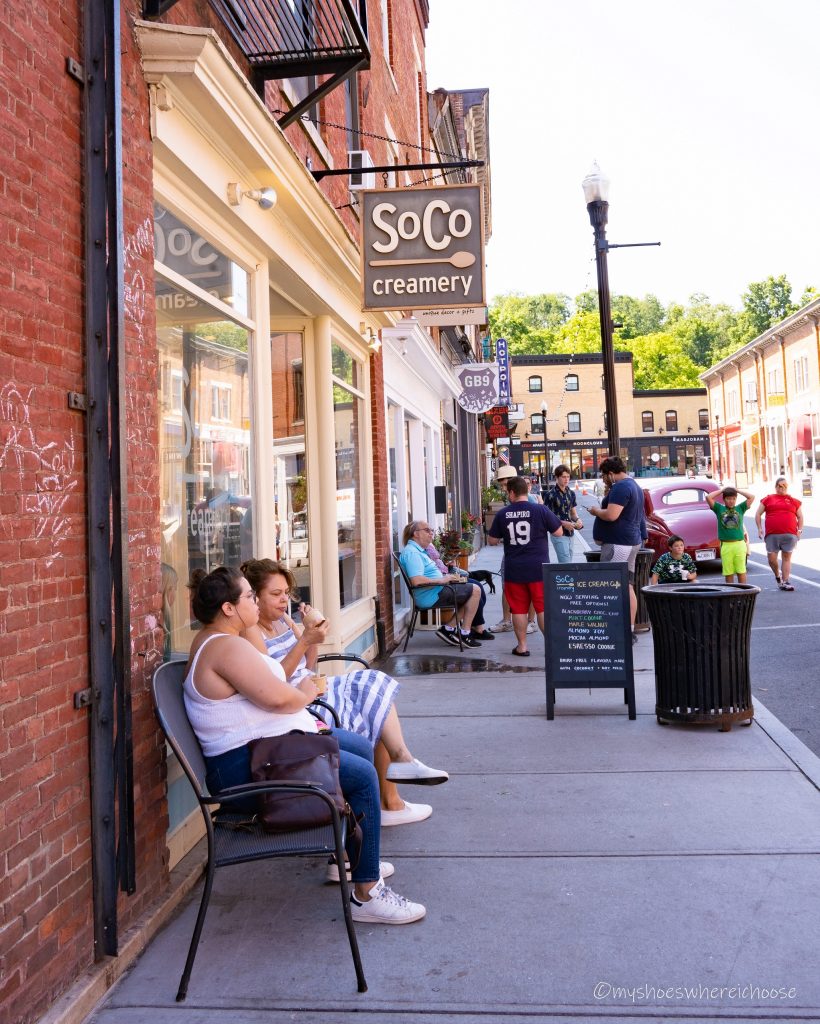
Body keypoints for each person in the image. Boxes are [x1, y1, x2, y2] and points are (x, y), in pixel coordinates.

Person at [183, 566, 425, 923]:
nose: (254, 601)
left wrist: (298, 681)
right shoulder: (225, 648)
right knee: (360, 775)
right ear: (228, 608)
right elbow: (279, 700)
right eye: (250, 596)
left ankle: (351, 857)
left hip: (259, 752)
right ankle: (367, 893)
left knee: (356, 746)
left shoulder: (221, 640)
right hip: (244, 768)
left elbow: (271, 680)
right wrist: (306, 692)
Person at [239, 558, 445, 827]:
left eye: (286, 593)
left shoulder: (283, 620)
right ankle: (391, 796)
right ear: (254, 597)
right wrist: (303, 641)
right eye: (275, 594)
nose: (283, 600)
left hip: (313, 687)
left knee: (375, 690)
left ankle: (396, 780)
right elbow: (275, 679)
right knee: (371, 698)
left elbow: (307, 665)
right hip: (298, 701)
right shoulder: (252, 631)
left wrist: (311, 636)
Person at [488, 475, 562, 657]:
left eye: (507, 492)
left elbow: (492, 540)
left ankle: (522, 646)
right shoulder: (540, 510)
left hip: (515, 569)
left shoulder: (503, 513)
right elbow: (559, 532)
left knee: (518, 609)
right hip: (539, 567)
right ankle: (551, 646)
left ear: (512, 492)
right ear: (527, 490)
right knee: (542, 607)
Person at [399, 521, 483, 648]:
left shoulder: (418, 550)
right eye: (427, 530)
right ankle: (464, 633)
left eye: (431, 530)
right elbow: (416, 580)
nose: (431, 533)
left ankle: (449, 629)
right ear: (415, 534)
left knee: (472, 590)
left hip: (435, 590)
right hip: (431, 595)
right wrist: (442, 580)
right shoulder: (412, 553)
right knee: (475, 590)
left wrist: (447, 577)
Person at [588, 456, 644, 638]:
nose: (604, 479)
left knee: (610, 585)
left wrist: (596, 511)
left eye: (604, 475)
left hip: (618, 543)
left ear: (611, 474)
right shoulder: (634, 485)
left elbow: (612, 515)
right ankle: (629, 628)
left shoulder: (621, 487)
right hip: (632, 541)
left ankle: (614, 628)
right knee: (626, 586)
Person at [491, 465, 538, 635]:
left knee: (531, 589)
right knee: (507, 587)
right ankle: (506, 620)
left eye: (505, 484)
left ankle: (530, 622)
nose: (503, 488)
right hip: (513, 552)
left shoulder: (528, 500)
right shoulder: (510, 499)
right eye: (501, 484)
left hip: (527, 553)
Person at [754, 477, 803, 591]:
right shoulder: (768, 499)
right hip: (772, 535)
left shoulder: (794, 501)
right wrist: (759, 528)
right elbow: (758, 514)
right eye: (780, 486)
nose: (782, 488)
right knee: (771, 559)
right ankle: (777, 576)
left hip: (790, 534)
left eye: (785, 486)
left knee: (786, 558)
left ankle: (785, 582)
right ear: (776, 487)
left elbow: (800, 517)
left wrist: (799, 531)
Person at [706, 484, 755, 583]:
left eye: (733, 498)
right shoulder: (719, 509)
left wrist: (737, 490)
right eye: (728, 499)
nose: (731, 501)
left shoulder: (740, 508)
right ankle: (731, 592)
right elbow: (708, 497)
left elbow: (751, 497)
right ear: (724, 499)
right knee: (728, 572)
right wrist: (722, 490)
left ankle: (743, 592)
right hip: (726, 545)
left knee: (741, 570)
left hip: (739, 544)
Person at [543, 464, 584, 563]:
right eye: (563, 477)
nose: (566, 479)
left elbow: (573, 513)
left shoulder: (571, 493)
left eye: (568, 477)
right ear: (557, 478)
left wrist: (578, 520)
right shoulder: (550, 495)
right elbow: (546, 517)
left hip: (571, 532)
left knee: (568, 562)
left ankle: (565, 578)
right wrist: (563, 523)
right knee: (565, 563)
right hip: (558, 533)